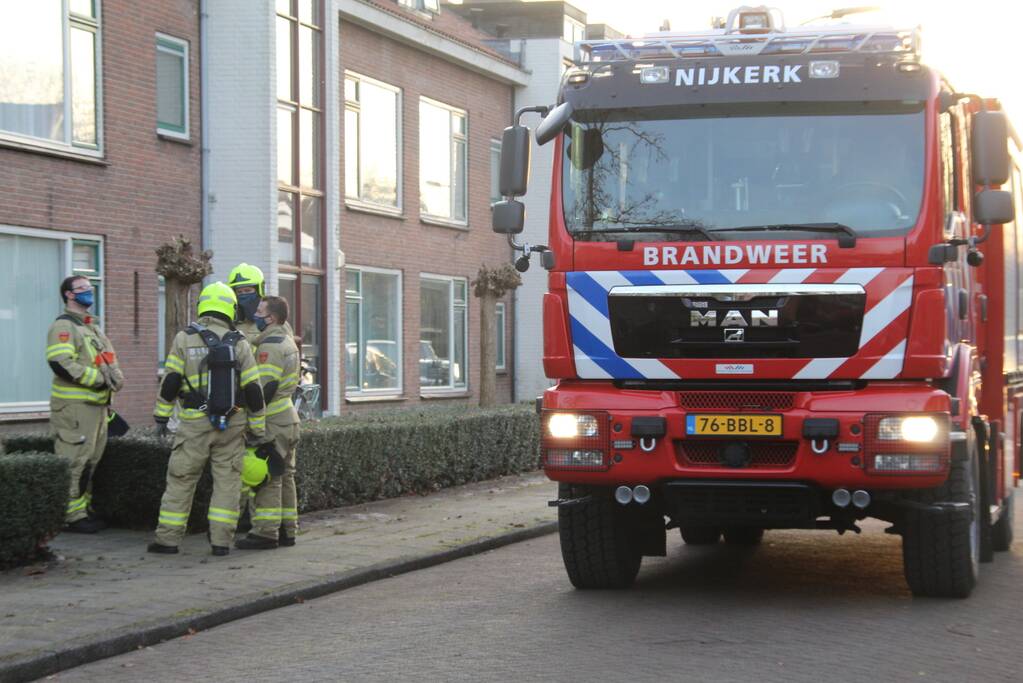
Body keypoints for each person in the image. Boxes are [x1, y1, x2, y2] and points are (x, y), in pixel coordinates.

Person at [148, 282, 267, 556]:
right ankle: (221, 542)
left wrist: (161, 417)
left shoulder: (184, 339)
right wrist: (257, 426)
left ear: (203, 305)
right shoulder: (240, 342)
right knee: (227, 483)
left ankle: (167, 540)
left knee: (181, 480)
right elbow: (253, 390)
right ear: (230, 308)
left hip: (193, 424)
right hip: (232, 423)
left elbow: (171, 382)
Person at [46, 276, 124, 533]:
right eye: (81, 289)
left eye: (90, 288)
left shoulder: (92, 328)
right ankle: (71, 516)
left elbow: (108, 361)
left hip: (97, 407)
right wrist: (98, 381)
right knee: (74, 460)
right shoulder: (63, 327)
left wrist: (115, 379)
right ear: (69, 295)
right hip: (75, 407)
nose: (88, 292)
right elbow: (60, 363)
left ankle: (83, 511)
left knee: (91, 460)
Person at [236, 296, 301, 550]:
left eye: (260, 311)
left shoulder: (270, 347)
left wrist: (248, 417)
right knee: (286, 476)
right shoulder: (285, 340)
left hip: (273, 421)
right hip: (288, 419)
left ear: (271, 318)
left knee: (268, 478)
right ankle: (288, 530)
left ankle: (265, 532)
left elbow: (263, 390)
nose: (256, 315)